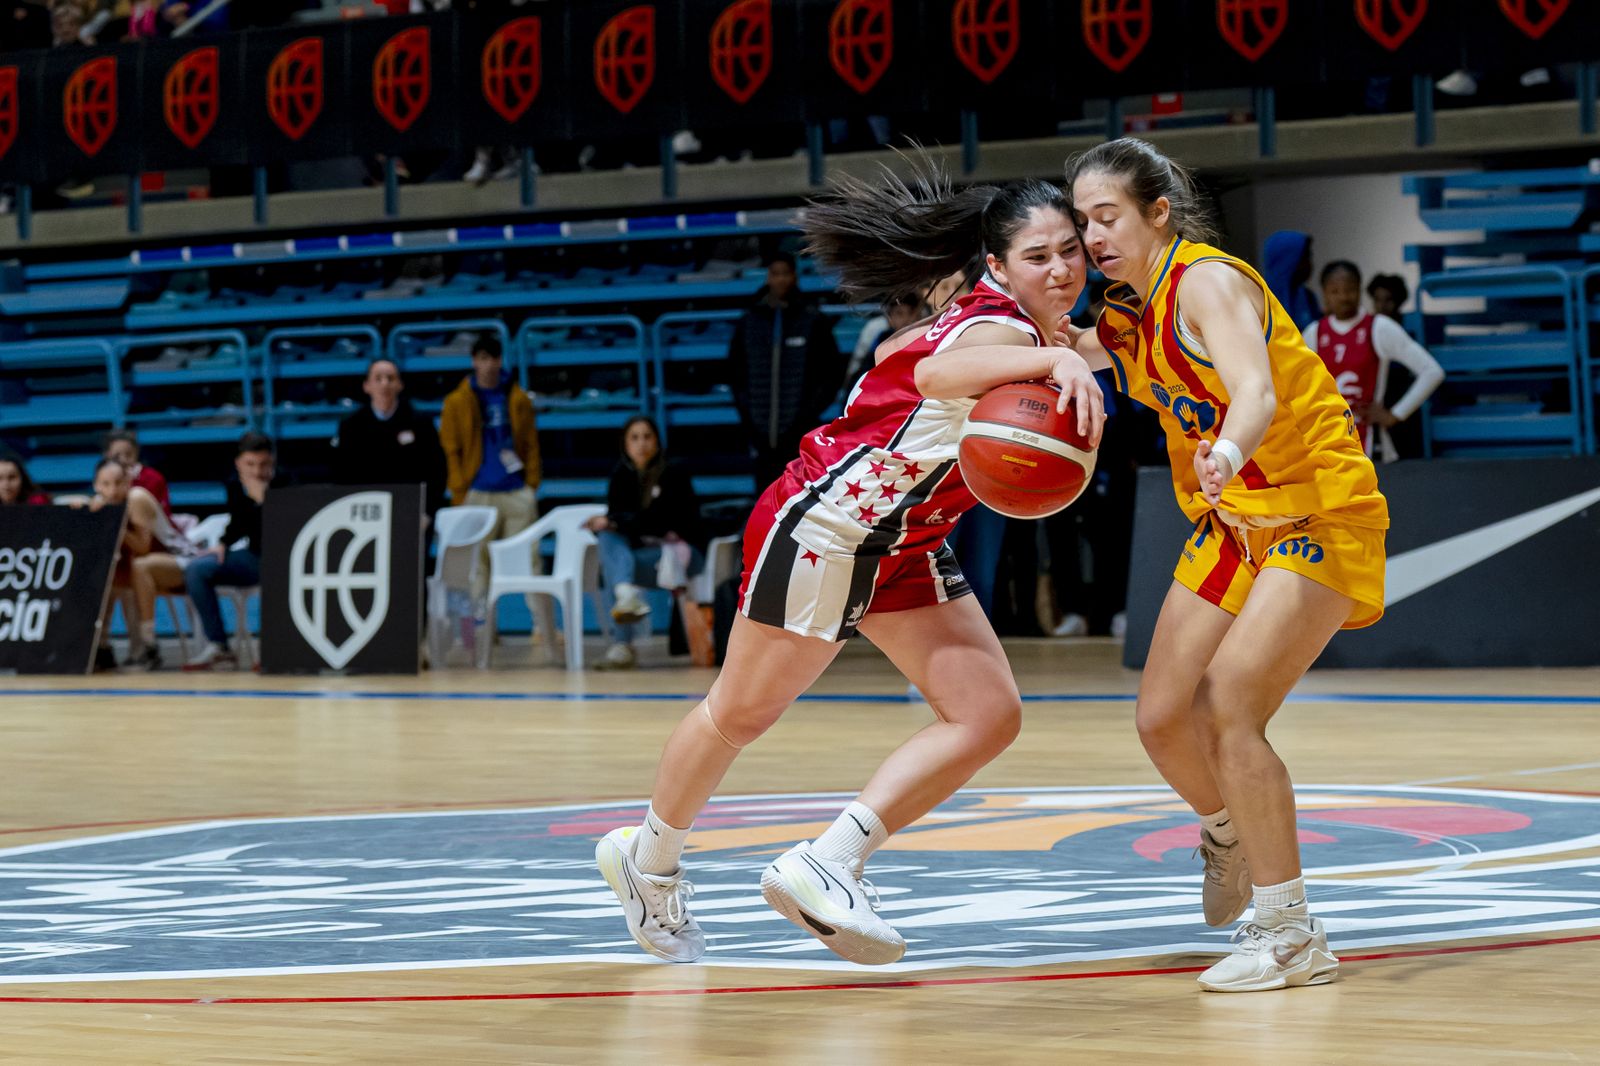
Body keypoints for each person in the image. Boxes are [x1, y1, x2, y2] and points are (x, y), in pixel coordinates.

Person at [595, 159, 1105, 967]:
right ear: (999, 266)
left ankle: (829, 859)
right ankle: (647, 860)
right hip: (830, 529)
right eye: (1038, 255)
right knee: (739, 715)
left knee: (988, 713)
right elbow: (938, 371)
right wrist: (1056, 363)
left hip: (902, 540)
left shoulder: (1026, 327)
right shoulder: (1002, 332)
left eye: (1070, 249)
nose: (1061, 267)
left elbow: (1102, 348)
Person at [1064, 138, 1388, 993]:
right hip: (1233, 523)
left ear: (1157, 213)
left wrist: (1230, 449)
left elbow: (1256, 389)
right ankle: (1228, 828)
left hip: (1317, 505)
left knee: (1231, 704)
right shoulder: (1125, 315)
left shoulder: (1205, 281)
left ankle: (1291, 934)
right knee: (1162, 717)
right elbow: (1048, 351)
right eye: (1082, 222)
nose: (1093, 236)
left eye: (1108, 217)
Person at [439, 332, 558, 655]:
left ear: (501, 360)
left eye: (494, 358)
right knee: (479, 567)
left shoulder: (517, 397)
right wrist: (460, 491)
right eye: (482, 358)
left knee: (530, 560)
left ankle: (542, 630)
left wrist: (530, 484)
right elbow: (451, 450)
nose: (488, 364)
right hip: (477, 491)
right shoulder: (457, 401)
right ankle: (482, 632)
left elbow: (531, 444)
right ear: (474, 362)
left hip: (515, 490)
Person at [584, 415, 705, 670]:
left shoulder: (673, 473)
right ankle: (625, 595)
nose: (641, 443)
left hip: (681, 553)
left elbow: (662, 522)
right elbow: (622, 519)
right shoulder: (620, 475)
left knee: (613, 569)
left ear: (657, 441)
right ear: (625, 444)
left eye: (647, 436)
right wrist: (613, 524)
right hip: (642, 554)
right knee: (608, 539)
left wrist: (615, 522)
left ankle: (622, 644)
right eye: (634, 437)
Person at [727, 251, 845, 491]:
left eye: (785, 273)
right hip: (759, 431)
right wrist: (749, 415)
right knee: (764, 497)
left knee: (798, 493)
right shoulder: (749, 321)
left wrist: (807, 414)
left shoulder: (813, 320)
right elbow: (735, 374)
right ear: (768, 277)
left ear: (794, 277)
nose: (780, 279)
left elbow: (832, 373)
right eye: (775, 273)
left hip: (799, 430)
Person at [1304, 262, 1444, 462]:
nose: (1343, 297)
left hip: (1371, 443)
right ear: (1324, 293)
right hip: (1326, 441)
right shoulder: (1313, 333)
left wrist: (1395, 414)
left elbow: (1432, 371)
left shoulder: (1379, 327)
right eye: (1335, 291)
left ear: (1360, 289)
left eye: (1350, 290)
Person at [183, 432, 280, 671]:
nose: (257, 472)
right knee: (197, 569)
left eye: (264, 464)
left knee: (278, 576)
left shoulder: (285, 483)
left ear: (273, 462)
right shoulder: (235, 485)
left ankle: (275, 648)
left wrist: (263, 498)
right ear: (238, 463)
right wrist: (223, 543)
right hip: (252, 556)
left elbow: (285, 527)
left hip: (282, 559)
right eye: (250, 464)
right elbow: (239, 523)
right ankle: (219, 646)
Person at [331, 358, 448, 521]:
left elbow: (437, 471)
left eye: (390, 378)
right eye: (378, 378)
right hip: (365, 513)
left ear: (400, 384)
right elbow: (341, 474)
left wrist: (427, 512)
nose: (384, 384)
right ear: (367, 386)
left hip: (410, 511)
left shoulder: (420, 423)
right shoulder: (351, 426)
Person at [1261, 230, 1320, 332]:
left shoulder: (1308, 298)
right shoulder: (1261, 300)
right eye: (1305, 258)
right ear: (1287, 261)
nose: (1309, 264)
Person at [103, 429, 171, 517]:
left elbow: (157, 514)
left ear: (136, 452)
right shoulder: (105, 476)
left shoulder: (153, 477)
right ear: (107, 455)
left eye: (128, 454)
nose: (123, 460)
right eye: (117, 456)